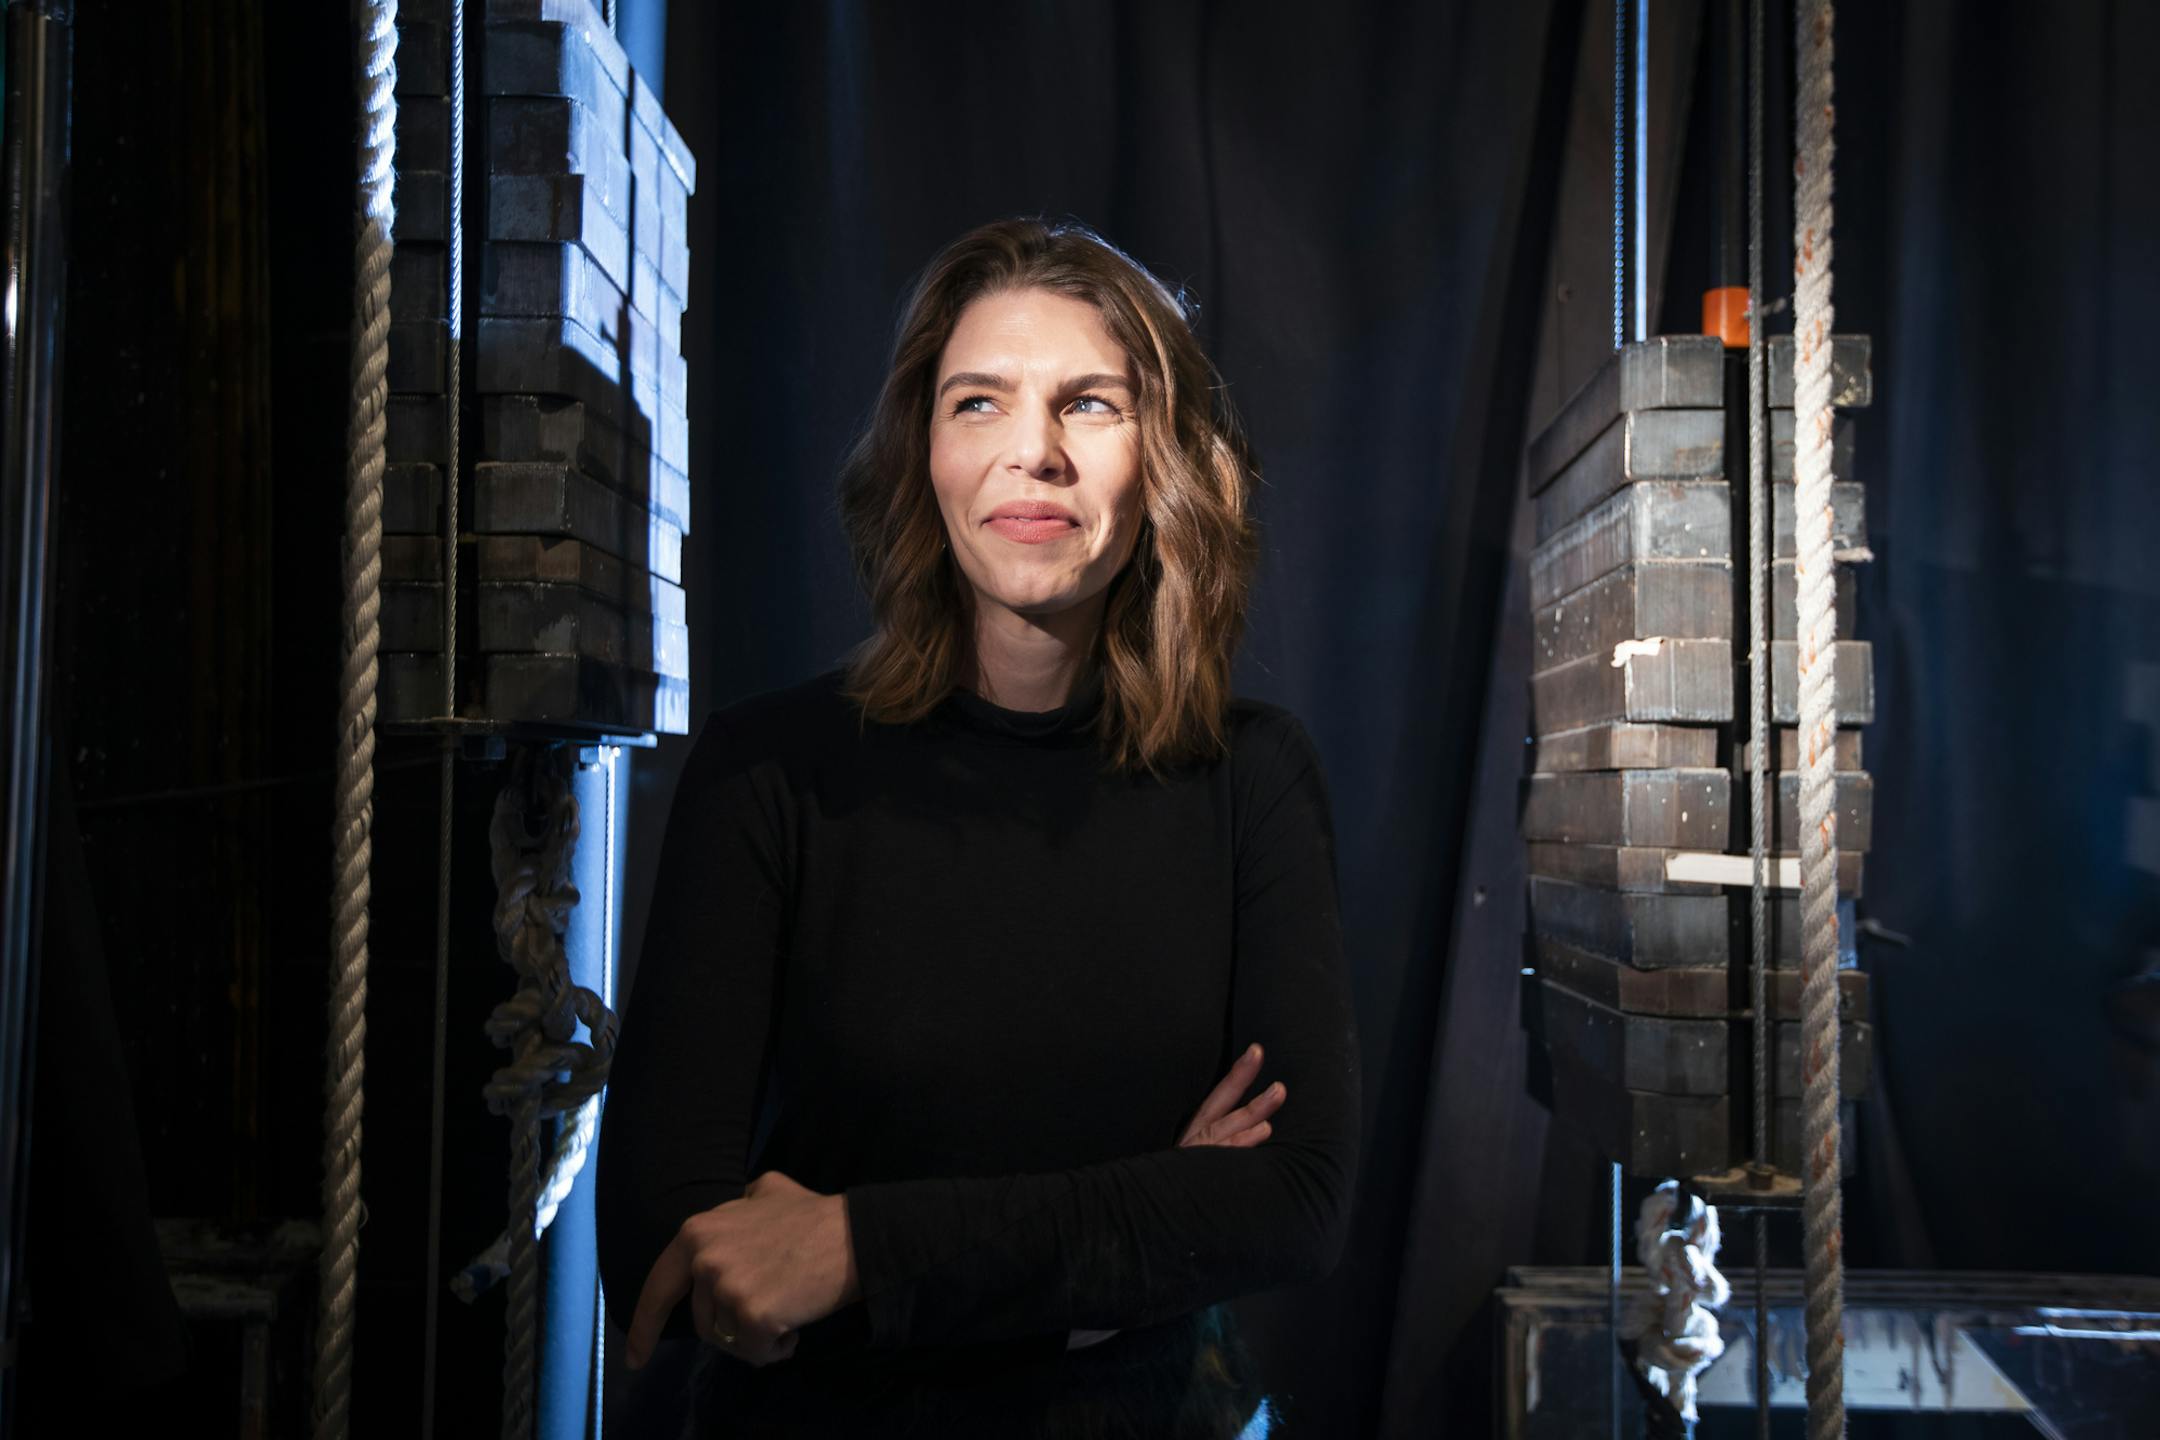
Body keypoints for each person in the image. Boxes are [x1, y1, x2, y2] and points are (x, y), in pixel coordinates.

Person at [596, 217, 1360, 1438]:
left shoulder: (1251, 777)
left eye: (1091, 405)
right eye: (978, 404)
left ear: (1162, 457)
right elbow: (666, 1253)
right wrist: (1134, 1248)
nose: (1033, 454)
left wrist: (854, 1247)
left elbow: (1293, 1206)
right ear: (923, 453)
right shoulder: (766, 773)